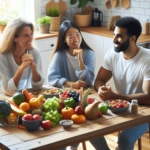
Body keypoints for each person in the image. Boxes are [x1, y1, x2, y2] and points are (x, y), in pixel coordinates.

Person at [94, 17, 150, 150]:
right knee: (90, 128)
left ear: (132, 38)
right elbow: (99, 80)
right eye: (114, 34)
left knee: (124, 140)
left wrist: (114, 97)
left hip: (145, 114)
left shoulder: (147, 60)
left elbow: (148, 97)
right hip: (120, 107)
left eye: (119, 36)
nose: (113, 40)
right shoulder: (112, 54)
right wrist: (102, 89)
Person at [0, 18, 44, 96]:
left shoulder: (35, 53)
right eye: (25, 35)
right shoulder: (2, 57)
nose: (30, 39)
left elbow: (38, 86)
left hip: (27, 96)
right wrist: (21, 68)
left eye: (30, 34)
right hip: (7, 98)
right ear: (14, 38)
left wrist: (33, 67)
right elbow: (7, 90)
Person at [47, 20, 95, 89]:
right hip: (67, 93)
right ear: (64, 40)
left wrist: (80, 60)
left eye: (77, 34)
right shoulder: (59, 55)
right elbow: (52, 78)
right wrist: (71, 84)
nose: (75, 39)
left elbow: (87, 81)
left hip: (85, 93)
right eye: (71, 37)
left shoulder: (90, 54)